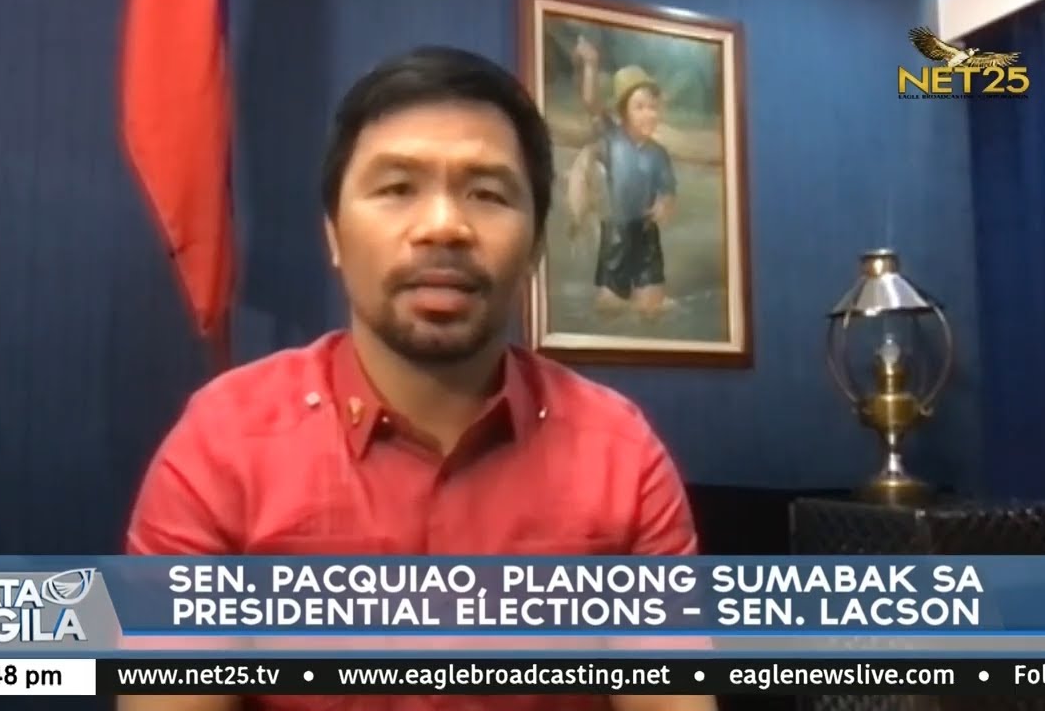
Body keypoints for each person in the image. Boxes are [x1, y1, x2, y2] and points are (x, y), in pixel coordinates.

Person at [121, 45, 714, 711]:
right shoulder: (223, 445)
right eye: (398, 189)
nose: (443, 227)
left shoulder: (622, 459)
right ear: (334, 234)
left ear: (534, 248)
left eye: (487, 194)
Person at [572, 36, 677, 320]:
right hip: (616, 234)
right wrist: (591, 64)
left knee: (652, 312)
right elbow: (591, 102)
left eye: (653, 107)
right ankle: (613, 294)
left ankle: (647, 297)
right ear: (623, 112)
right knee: (610, 310)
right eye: (640, 107)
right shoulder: (612, 137)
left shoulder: (659, 154)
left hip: (646, 234)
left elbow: (668, 191)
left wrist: (665, 204)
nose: (649, 114)